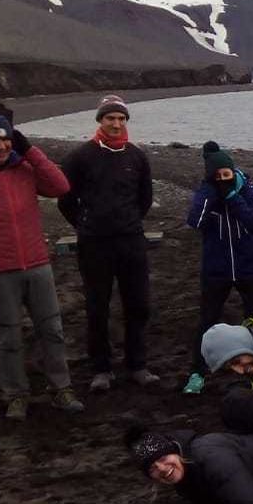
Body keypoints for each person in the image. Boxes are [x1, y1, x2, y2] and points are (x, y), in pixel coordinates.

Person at [0, 114, 86, 419]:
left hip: (37, 264)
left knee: (52, 331)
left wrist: (31, 150)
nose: (1, 145)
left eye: (6, 138)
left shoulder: (25, 168)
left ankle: (61, 389)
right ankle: (16, 395)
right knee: (9, 337)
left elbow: (61, 186)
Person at [57, 94, 157, 391]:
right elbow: (65, 200)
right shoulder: (80, 157)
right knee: (97, 306)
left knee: (138, 304)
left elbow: (145, 198)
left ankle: (137, 364)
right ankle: (101, 369)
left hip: (131, 241)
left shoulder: (137, 157)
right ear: (100, 120)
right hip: (94, 245)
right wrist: (86, 225)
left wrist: (129, 222)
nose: (116, 124)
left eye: (121, 119)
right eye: (110, 118)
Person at [182, 142, 253, 394]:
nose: (222, 178)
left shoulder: (248, 189)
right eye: (216, 174)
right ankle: (197, 372)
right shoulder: (207, 192)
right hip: (216, 269)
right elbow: (195, 221)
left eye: (225, 173)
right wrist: (211, 190)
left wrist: (231, 195)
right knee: (207, 320)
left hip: (248, 266)